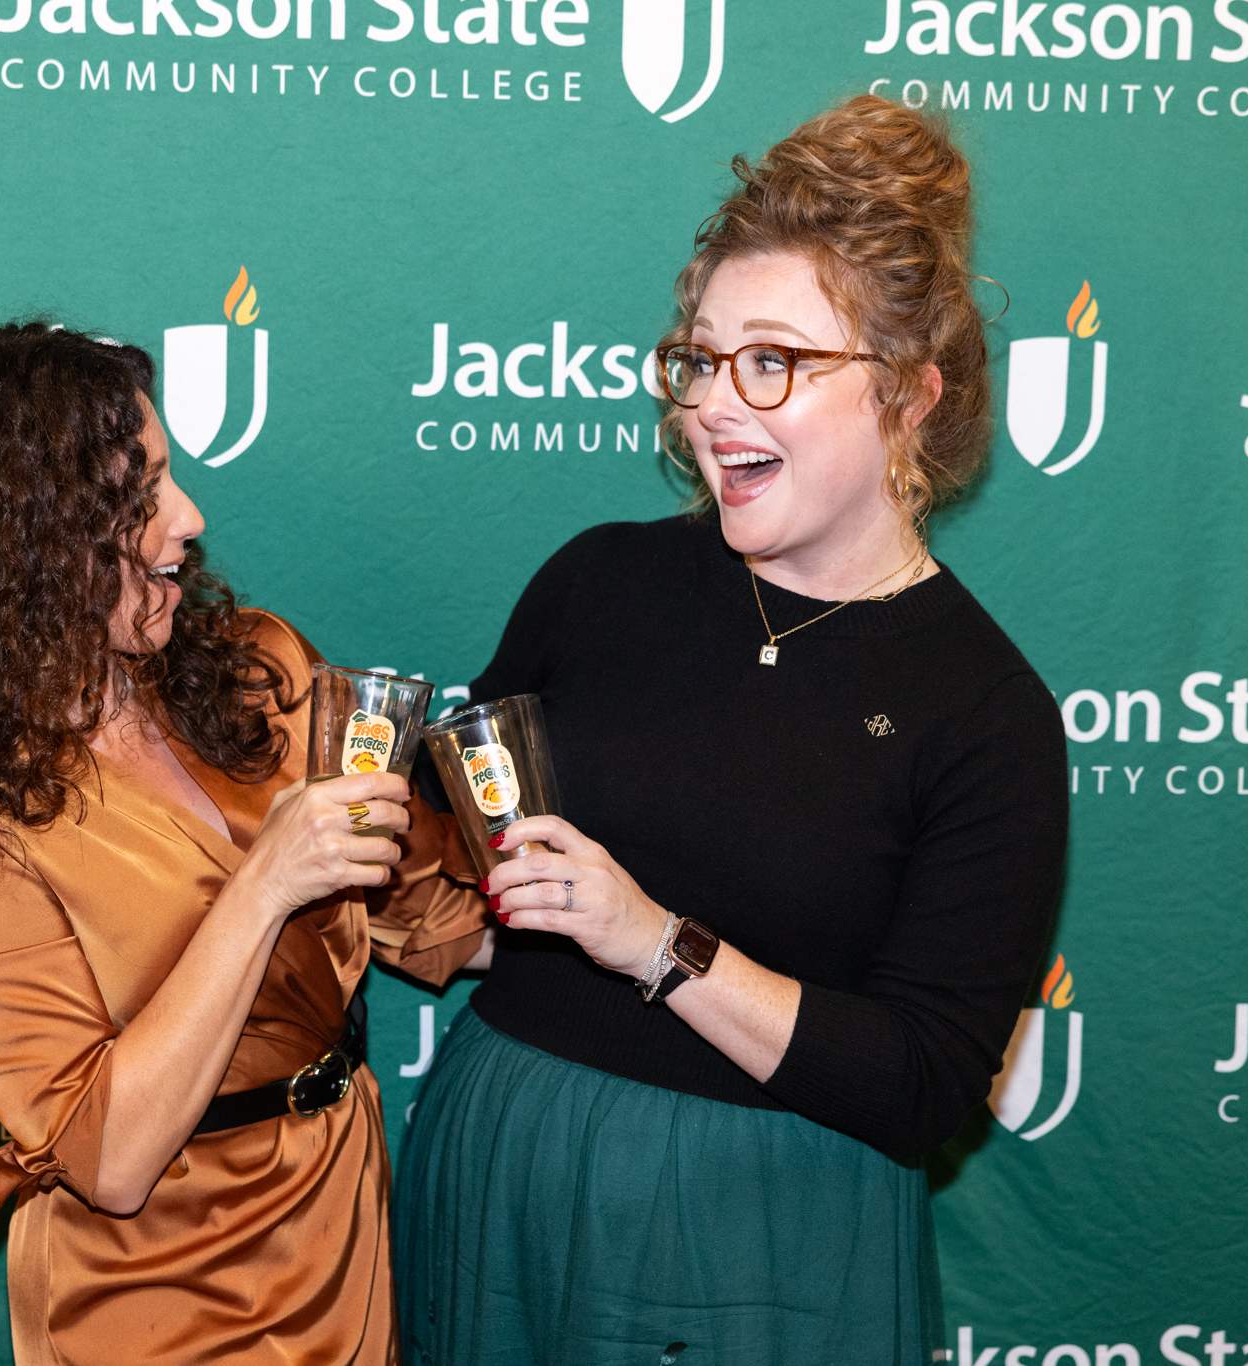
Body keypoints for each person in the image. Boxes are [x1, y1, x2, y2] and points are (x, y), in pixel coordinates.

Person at [392, 97, 1069, 1365]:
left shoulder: (984, 717)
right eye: (699, 358)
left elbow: (923, 1082)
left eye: (772, 361)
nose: (712, 403)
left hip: (762, 1238)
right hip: (497, 1173)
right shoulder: (597, 581)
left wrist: (654, 942)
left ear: (911, 397)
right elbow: (456, 843)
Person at [0, 323, 487, 1366]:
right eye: (140, 496)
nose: (189, 519)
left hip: (342, 1234)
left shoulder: (258, 672)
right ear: (19, 545)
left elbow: (436, 920)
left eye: (172, 476)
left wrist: (601, 906)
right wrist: (263, 887)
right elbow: (108, 1157)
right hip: (152, 1288)